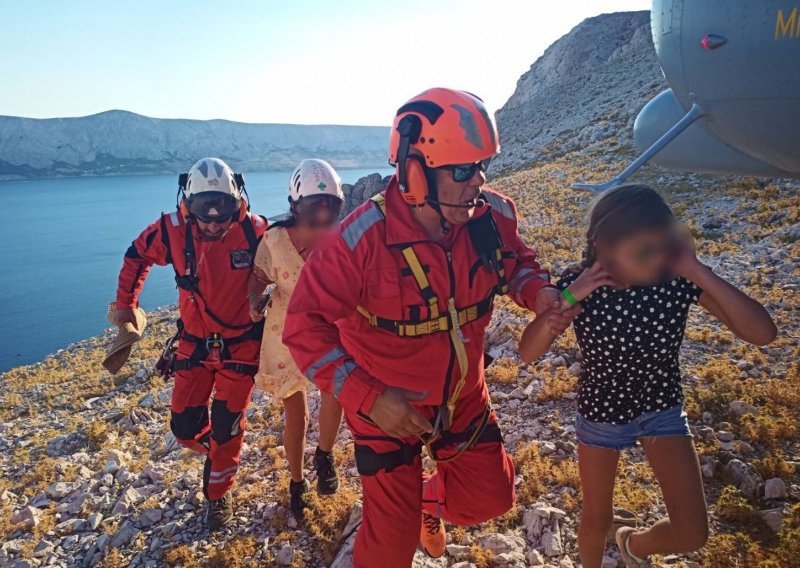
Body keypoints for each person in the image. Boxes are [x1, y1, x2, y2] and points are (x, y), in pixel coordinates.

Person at [282, 88, 580, 567]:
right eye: (463, 170)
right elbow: (302, 327)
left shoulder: (492, 216)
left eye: (482, 166)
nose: (478, 180)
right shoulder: (358, 241)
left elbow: (516, 265)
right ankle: (400, 516)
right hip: (383, 408)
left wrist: (537, 292)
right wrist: (369, 398)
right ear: (416, 173)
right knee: (389, 550)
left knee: (489, 500)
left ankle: (425, 500)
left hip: (463, 395)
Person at [518, 185, 777, 568]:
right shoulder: (581, 283)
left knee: (693, 533)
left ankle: (632, 544)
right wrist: (569, 298)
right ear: (602, 247)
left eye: (664, 247)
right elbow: (528, 351)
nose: (657, 259)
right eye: (644, 251)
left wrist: (694, 268)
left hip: (662, 407)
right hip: (601, 413)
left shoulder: (675, 279)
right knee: (595, 519)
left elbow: (762, 333)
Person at [113, 158, 267, 530]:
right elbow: (136, 256)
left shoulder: (255, 231)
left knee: (228, 425)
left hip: (242, 348)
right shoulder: (171, 231)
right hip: (194, 346)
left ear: (237, 201)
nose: (214, 222)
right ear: (189, 204)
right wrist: (126, 306)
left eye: (223, 213)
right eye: (205, 214)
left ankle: (219, 494)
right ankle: (220, 451)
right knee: (183, 429)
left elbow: (290, 266)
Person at [247, 159, 345, 519]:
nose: (321, 225)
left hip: (329, 324)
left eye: (328, 215)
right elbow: (257, 277)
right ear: (295, 209)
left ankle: (325, 455)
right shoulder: (273, 240)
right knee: (296, 413)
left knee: (335, 391)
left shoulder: (342, 237)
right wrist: (253, 303)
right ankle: (297, 483)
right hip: (285, 330)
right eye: (311, 216)